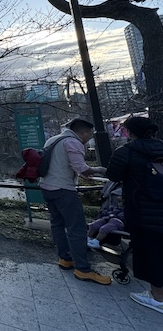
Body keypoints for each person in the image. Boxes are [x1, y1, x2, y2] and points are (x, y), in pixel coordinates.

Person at [40, 118, 111, 285]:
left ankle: (65, 258)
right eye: (90, 135)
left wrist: (83, 173)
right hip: (64, 190)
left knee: (57, 224)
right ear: (83, 132)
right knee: (77, 229)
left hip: (46, 187)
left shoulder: (53, 140)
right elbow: (81, 168)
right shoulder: (73, 142)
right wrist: (100, 170)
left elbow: (61, 165)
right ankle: (83, 269)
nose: (89, 139)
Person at [106, 116, 163, 314]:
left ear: (129, 132)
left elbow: (113, 175)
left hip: (142, 211)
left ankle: (158, 298)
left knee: (151, 253)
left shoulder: (126, 152)